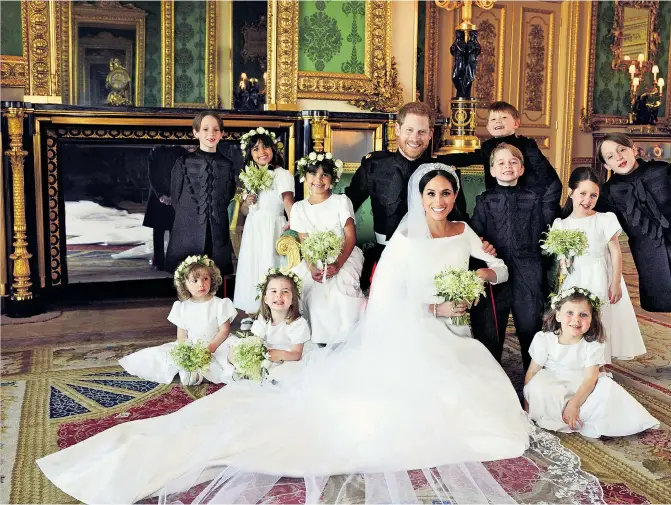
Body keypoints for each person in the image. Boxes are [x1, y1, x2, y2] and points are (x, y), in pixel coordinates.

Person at [36, 164, 601, 505]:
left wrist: (478, 276)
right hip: (412, 332)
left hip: (452, 330)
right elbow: (387, 298)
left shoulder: (463, 229)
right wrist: (432, 304)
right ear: (418, 199)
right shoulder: (404, 241)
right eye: (431, 196)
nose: (440, 202)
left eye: (446, 195)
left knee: (484, 395)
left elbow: (497, 268)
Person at [345, 101, 468, 289]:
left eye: (421, 132)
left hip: (432, 257)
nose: (415, 138)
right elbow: (347, 205)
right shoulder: (374, 166)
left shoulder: (444, 172)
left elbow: (460, 219)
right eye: (409, 130)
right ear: (397, 129)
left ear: (430, 134)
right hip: (385, 256)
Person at [469, 144, 560, 369]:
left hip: (528, 270)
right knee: (489, 328)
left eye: (513, 162)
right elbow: (474, 234)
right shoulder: (484, 200)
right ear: (491, 171)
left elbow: (546, 232)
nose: (507, 166)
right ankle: (490, 376)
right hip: (496, 271)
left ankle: (534, 376)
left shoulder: (535, 199)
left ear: (521, 169)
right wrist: (482, 244)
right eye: (500, 162)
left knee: (531, 325)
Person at [524, 287, 658, 438]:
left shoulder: (592, 345)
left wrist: (574, 404)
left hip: (583, 386)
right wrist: (528, 403)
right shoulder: (544, 339)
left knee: (607, 387)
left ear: (592, 319)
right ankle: (556, 414)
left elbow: (590, 379)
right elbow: (532, 372)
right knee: (537, 385)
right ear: (558, 315)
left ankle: (576, 413)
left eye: (583, 315)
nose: (576, 319)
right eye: (570, 313)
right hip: (553, 384)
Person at [550, 166, 645, 363]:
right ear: (570, 192)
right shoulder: (561, 224)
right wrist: (563, 261)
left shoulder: (604, 219)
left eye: (593, 195)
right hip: (575, 278)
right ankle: (579, 361)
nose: (587, 200)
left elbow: (615, 251)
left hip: (601, 274)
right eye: (582, 193)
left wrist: (616, 282)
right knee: (576, 318)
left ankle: (600, 365)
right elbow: (561, 258)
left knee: (600, 318)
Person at [119, 256, 237, 386]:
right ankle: (193, 373)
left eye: (205, 279)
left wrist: (211, 347)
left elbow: (224, 330)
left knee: (231, 356)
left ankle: (207, 373)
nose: (201, 284)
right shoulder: (182, 307)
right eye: (194, 280)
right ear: (184, 284)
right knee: (165, 357)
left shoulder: (220, 304)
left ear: (212, 279)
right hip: (193, 345)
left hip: (217, 344)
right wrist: (186, 350)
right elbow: (182, 334)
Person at [291, 154, 366, 344]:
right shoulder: (298, 208)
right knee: (310, 288)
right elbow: (304, 242)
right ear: (305, 177)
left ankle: (346, 336)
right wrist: (311, 267)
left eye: (325, 175)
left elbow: (350, 237)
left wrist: (338, 264)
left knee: (340, 288)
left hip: (343, 255)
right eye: (313, 174)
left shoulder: (341, 201)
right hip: (314, 257)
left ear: (333, 179)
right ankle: (318, 338)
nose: (318, 180)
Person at [598, 133, 671, 312]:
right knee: (661, 304)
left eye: (621, 149)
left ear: (633, 148)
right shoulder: (608, 193)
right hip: (649, 258)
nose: (619, 157)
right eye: (610, 156)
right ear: (607, 165)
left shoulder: (662, 170)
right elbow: (596, 224)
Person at [443, 101, 562, 207]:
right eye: (493, 119)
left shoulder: (527, 144)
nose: (498, 121)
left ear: (516, 123)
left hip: (526, 200)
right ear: (488, 126)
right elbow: (467, 159)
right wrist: (437, 160)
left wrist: (539, 200)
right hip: (497, 201)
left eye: (504, 117)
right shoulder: (488, 146)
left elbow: (545, 173)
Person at [165, 111, 236, 274]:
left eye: (216, 129)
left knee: (215, 277)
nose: (211, 133)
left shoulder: (227, 165)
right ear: (195, 132)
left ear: (222, 134)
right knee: (188, 277)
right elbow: (176, 199)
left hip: (217, 233)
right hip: (187, 231)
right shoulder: (182, 163)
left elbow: (229, 197)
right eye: (205, 129)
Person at [233, 128, 294, 314]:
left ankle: (272, 310)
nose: (262, 152)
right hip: (254, 227)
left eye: (266, 147)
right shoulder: (248, 176)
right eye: (256, 149)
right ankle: (253, 310)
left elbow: (288, 203)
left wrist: (293, 227)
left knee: (270, 264)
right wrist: (246, 202)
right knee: (253, 266)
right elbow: (244, 210)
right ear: (250, 154)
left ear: (273, 150)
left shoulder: (281, 174)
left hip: (271, 226)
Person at [246, 268, 312, 381]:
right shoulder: (263, 320)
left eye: (285, 291)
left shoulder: (297, 324)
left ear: (292, 299)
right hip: (270, 356)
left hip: (290, 359)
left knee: (280, 375)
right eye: (273, 291)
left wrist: (279, 355)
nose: (279, 296)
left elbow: (297, 354)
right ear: (265, 298)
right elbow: (256, 342)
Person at [142, 145, 185, 270]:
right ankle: (159, 262)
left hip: (176, 196)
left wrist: (175, 195)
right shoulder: (156, 152)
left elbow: (183, 174)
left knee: (175, 231)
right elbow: (152, 175)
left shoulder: (180, 152)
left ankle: (173, 261)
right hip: (158, 196)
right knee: (158, 231)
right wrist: (160, 194)